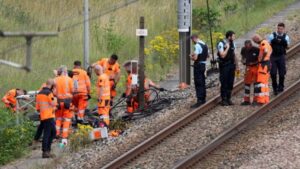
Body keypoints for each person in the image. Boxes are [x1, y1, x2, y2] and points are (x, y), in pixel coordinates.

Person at [35, 79, 57, 158]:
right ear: (51, 85)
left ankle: (47, 150)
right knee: (49, 134)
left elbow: (37, 107)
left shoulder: (39, 93)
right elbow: (53, 103)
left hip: (43, 116)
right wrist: (55, 97)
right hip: (49, 116)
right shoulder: (49, 93)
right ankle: (45, 151)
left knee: (52, 133)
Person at [217, 30, 239, 106]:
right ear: (229, 37)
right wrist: (227, 48)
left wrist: (237, 65)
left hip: (231, 65)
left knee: (230, 82)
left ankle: (229, 98)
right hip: (224, 65)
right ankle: (224, 99)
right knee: (224, 82)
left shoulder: (233, 43)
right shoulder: (221, 43)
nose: (234, 37)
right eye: (233, 36)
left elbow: (234, 54)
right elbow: (222, 55)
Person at [268, 22, 290, 95]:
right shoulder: (272, 36)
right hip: (273, 57)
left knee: (282, 73)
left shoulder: (286, 37)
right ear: (277, 28)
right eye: (278, 28)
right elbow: (268, 46)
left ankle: (281, 86)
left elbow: (287, 47)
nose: (279, 30)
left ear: (283, 29)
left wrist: (284, 42)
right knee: (273, 73)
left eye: (281, 29)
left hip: (281, 56)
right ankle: (275, 88)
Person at [53, 65, 74, 145]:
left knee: (58, 118)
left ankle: (56, 134)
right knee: (67, 119)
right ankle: (64, 136)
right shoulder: (69, 79)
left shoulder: (55, 80)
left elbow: (54, 93)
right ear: (65, 72)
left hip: (58, 102)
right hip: (67, 102)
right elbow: (73, 90)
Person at [252, 34, 272, 105]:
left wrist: (261, 60)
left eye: (254, 41)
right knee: (265, 83)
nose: (255, 42)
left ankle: (261, 100)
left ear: (257, 39)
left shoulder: (263, 43)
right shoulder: (266, 42)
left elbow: (265, 51)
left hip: (263, 65)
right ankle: (266, 99)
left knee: (261, 83)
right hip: (267, 64)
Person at [190, 34, 208, 108]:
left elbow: (195, 58)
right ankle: (203, 98)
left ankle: (199, 100)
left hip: (198, 65)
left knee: (198, 82)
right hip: (203, 64)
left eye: (192, 40)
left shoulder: (197, 45)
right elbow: (208, 55)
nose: (192, 42)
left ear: (194, 39)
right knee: (202, 81)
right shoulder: (204, 44)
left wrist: (191, 57)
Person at [240, 40, 260, 105]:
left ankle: (256, 100)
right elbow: (242, 56)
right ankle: (246, 100)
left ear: (251, 45)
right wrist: (243, 60)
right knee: (247, 84)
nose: (247, 48)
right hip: (248, 68)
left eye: (248, 47)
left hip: (255, 67)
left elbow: (261, 59)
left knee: (256, 84)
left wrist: (254, 63)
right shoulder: (243, 49)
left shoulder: (256, 49)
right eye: (246, 47)